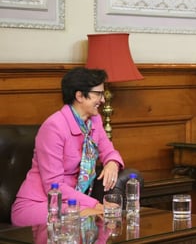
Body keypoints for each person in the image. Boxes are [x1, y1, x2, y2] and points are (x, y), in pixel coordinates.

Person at [11, 67, 125, 226]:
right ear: (79, 95)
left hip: (75, 204)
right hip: (40, 204)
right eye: (98, 94)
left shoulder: (95, 121)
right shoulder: (53, 127)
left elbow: (109, 151)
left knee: (101, 216)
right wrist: (95, 205)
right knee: (96, 215)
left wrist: (112, 162)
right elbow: (53, 187)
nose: (103, 100)